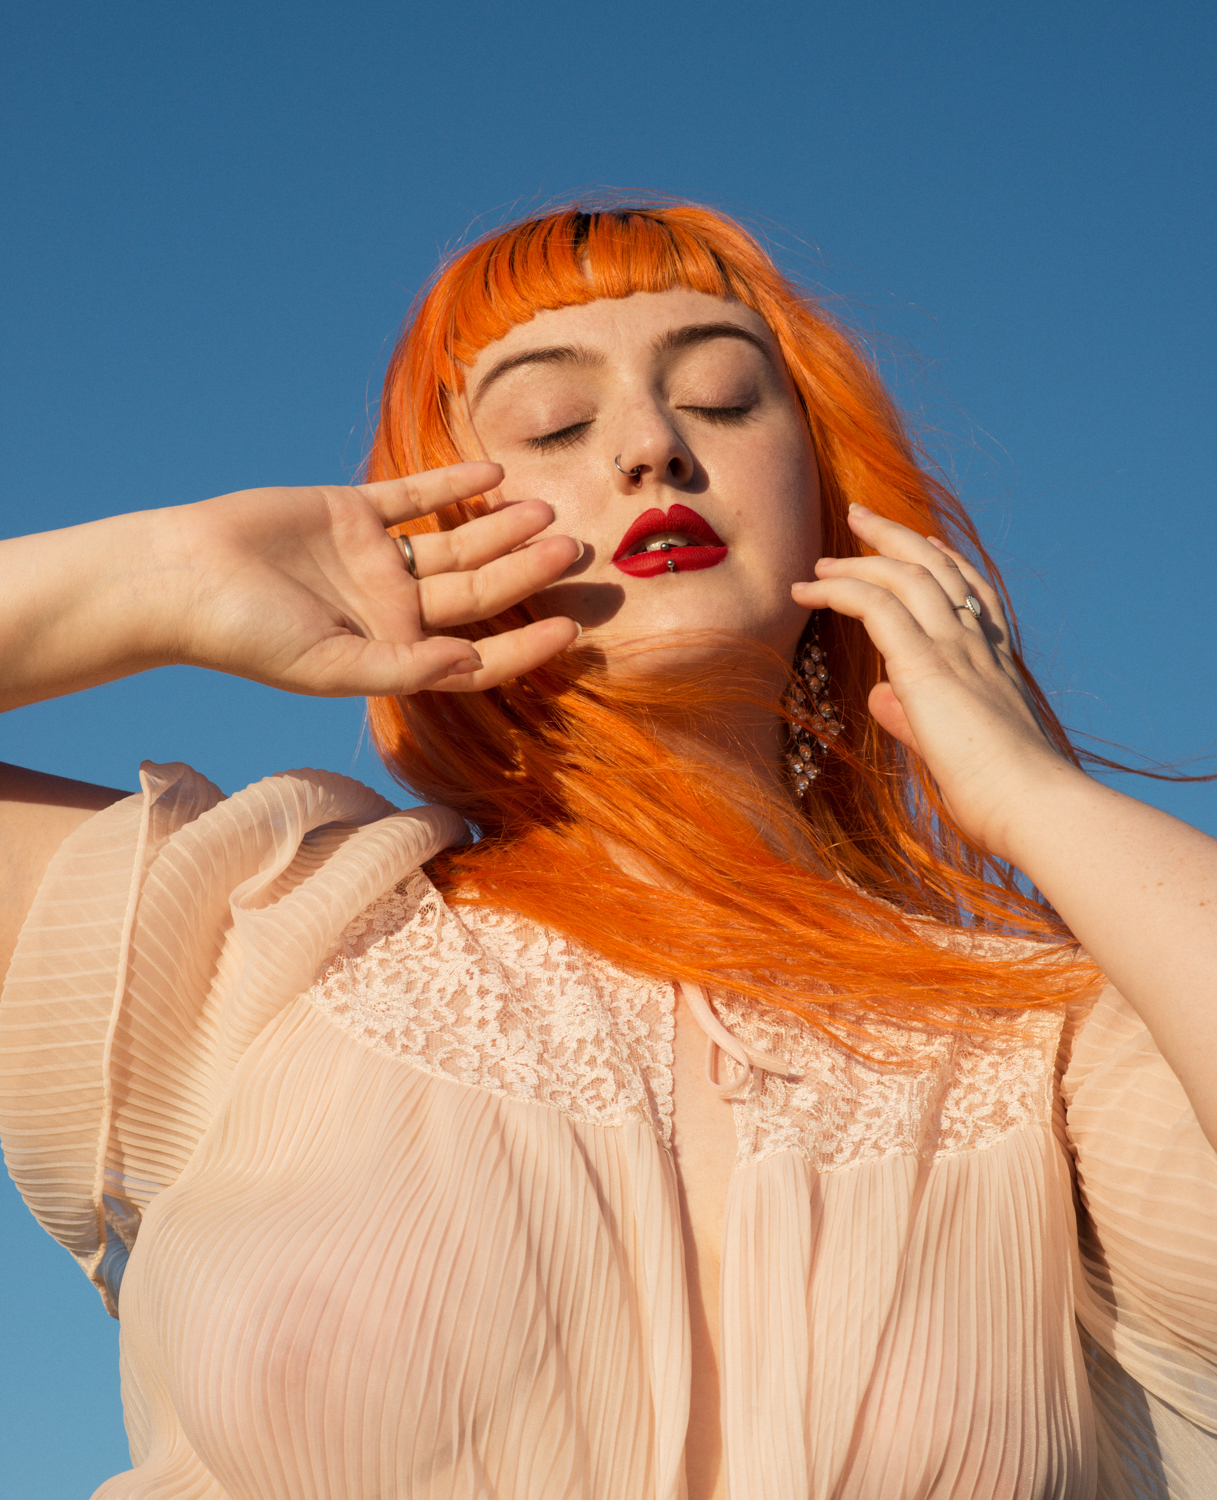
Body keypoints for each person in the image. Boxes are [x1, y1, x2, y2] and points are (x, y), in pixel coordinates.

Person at [1, 203, 1214, 1500]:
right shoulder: (273, 932)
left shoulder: (1049, 1043)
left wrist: (1036, 798)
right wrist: (161, 577)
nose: (651, 447)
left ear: (824, 489)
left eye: (723, 398)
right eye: (553, 424)